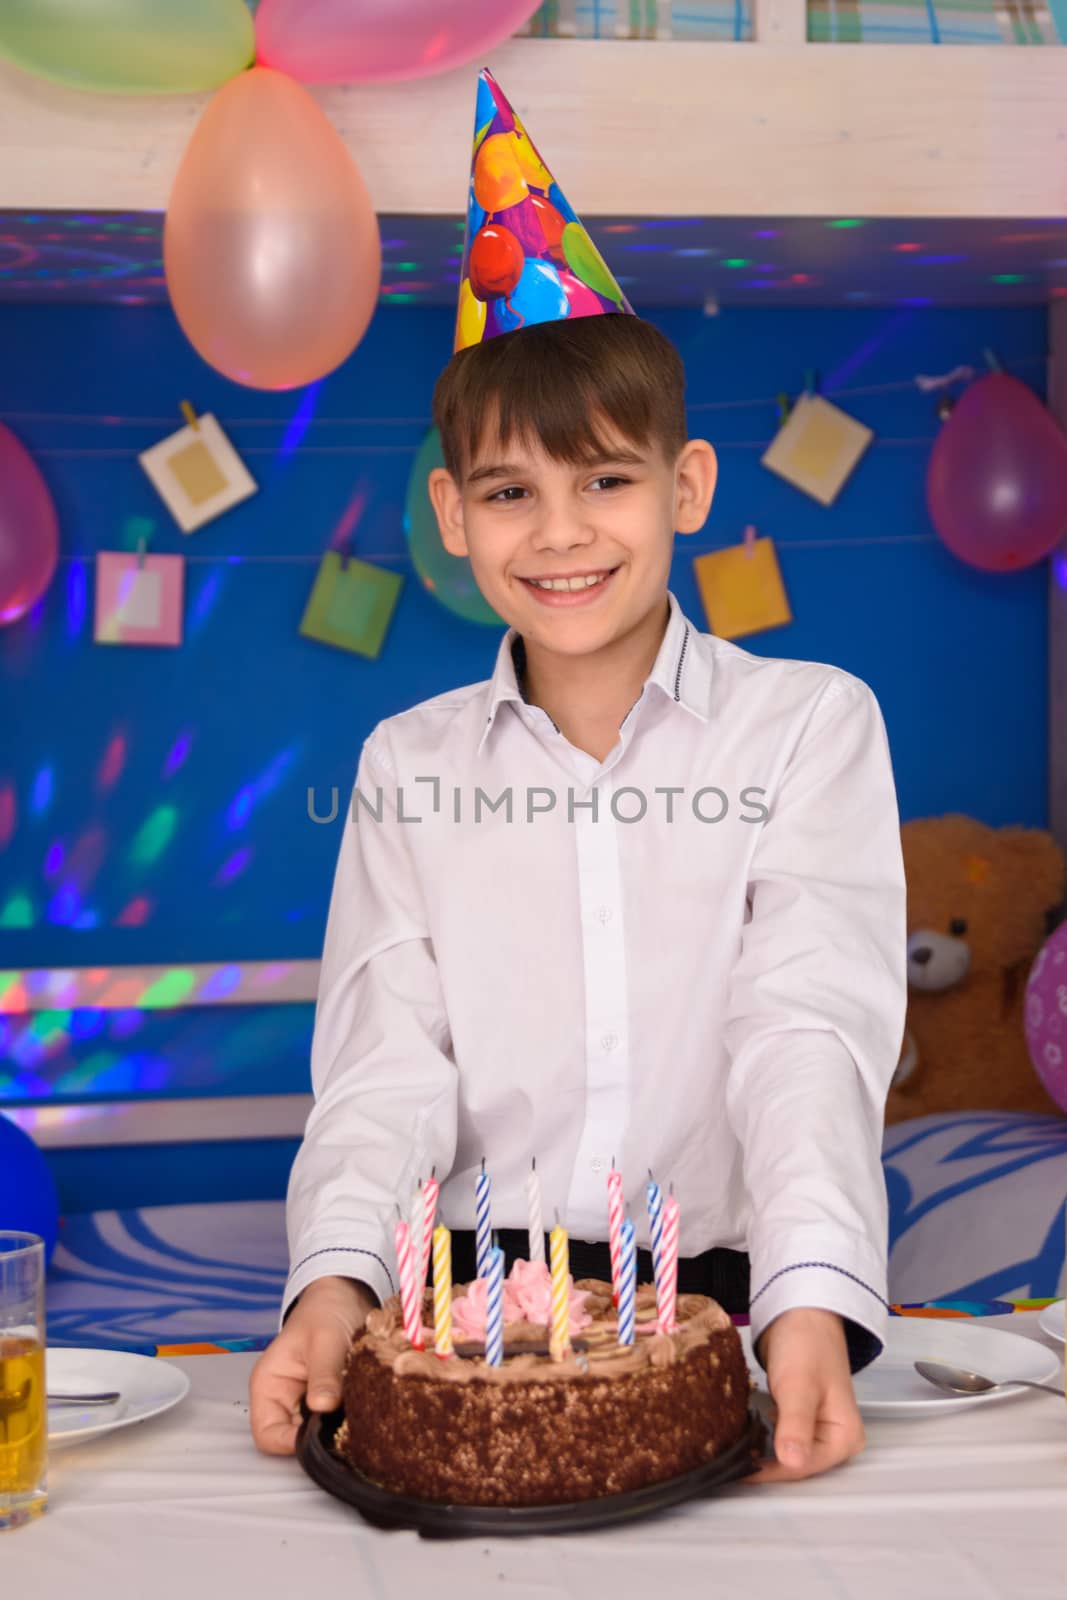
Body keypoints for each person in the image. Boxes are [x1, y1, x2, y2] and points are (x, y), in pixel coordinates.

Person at [249, 69, 907, 1485]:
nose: (561, 534)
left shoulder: (811, 728)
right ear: (452, 516)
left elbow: (804, 1031)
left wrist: (809, 1294)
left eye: (605, 481)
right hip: (458, 1324)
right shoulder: (407, 763)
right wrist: (331, 1288)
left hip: (725, 1306)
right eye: (509, 493)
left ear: (687, 488)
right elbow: (384, 1064)